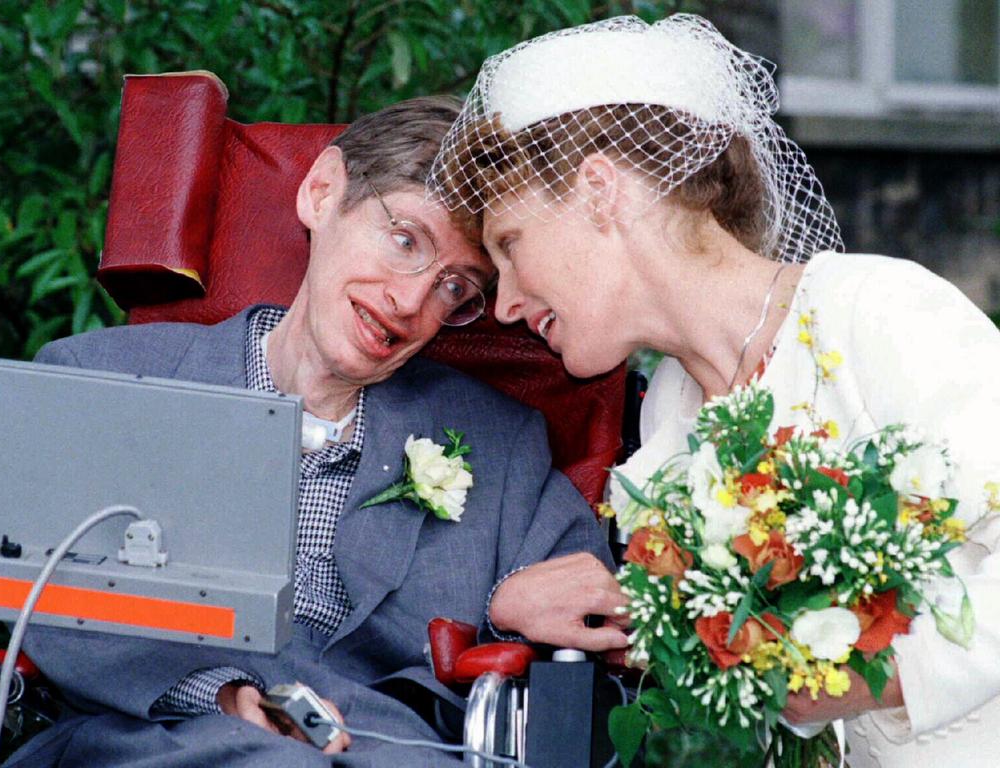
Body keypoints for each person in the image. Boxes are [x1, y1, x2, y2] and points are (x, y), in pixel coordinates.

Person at [427, 13, 1000, 768]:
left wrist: (856, 677)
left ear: (601, 192)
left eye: (510, 243)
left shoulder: (875, 312)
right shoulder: (670, 408)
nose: (503, 306)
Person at [3, 95, 625, 768]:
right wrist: (223, 695)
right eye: (405, 241)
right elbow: (45, 600)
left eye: (454, 288)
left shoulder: (500, 445)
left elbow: (599, 605)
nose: (411, 302)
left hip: (387, 751)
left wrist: (505, 605)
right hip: (141, 743)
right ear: (322, 193)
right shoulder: (101, 380)